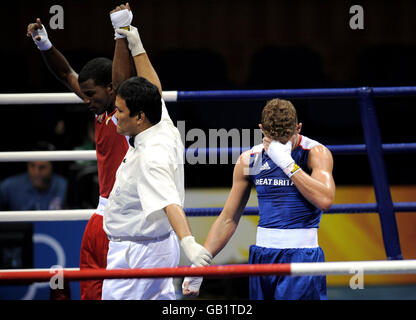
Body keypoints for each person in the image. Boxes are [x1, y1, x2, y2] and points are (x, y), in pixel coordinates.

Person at [26, 3, 151, 300]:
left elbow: (121, 83)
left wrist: (121, 31)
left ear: (110, 90)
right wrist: (44, 44)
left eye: (92, 95)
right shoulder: (100, 111)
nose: (87, 101)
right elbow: (66, 73)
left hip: (121, 222)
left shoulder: (124, 113)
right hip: (101, 220)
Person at [183, 98, 335, 300]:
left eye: (287, 137)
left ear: (298, 128)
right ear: (262, 130)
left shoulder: (315, 152)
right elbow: (229, 218)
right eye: (275, 138)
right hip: (262, 256)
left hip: (302, 255)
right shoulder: (251, 159)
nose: (282, 144)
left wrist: (287, 164)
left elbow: (325, 200)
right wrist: (199, 264)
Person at [101, 30, 212, 299]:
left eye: (121, 111)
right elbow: (154, 88)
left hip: (138, 254)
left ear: (139, 117)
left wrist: (190, 246)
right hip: (152, 248)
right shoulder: (159, 121)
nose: (115, 116)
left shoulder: (151, 156)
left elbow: (169, 202)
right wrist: (135, 42)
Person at [0, 141, 67, 211]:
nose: (36, 173)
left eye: (42, 167)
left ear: (52, 168)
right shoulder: (9, 186)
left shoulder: (63, 186)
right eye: (32, 165)